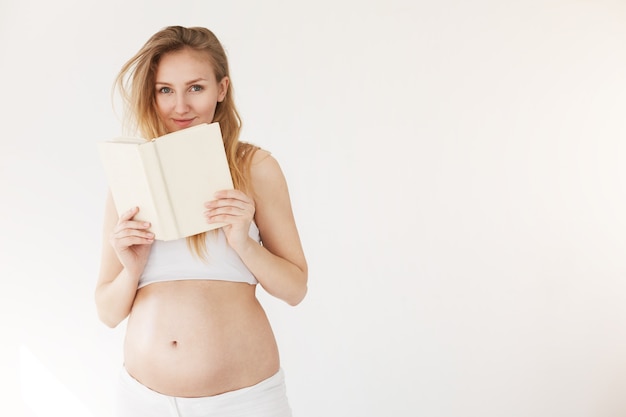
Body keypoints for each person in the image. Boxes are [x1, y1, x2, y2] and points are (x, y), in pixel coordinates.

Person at [95, 25, 308, 417]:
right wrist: (131, 269)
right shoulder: (132, 176)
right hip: (143, 400)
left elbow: (296, 289)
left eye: (196, 88)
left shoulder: (254, 168)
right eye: (165, 90)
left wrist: (243, 243)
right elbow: (107, 312)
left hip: (242, 402)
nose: (180, 106)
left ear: (221, 89)